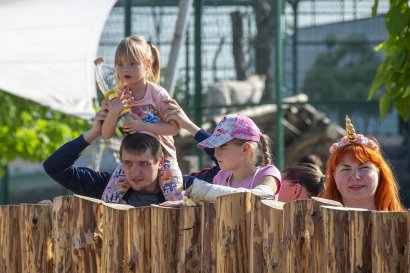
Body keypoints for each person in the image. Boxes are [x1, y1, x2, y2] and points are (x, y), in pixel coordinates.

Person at [100, 35, 183, 203]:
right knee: (108, 198)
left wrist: (142, 126)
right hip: (133, 158)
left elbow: (174, 129)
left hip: (163, 156)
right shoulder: (117, 95)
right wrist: (113, 112)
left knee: (176, 197)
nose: (125, 69)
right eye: (120, 64)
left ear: (146, 65)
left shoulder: (157, 94)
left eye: (132, 63)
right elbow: (106, 134)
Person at [43, 107, 166, 207]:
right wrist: (94, 133)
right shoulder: (107, 186)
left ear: (160, 161)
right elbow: (54, 167)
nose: (134, 172)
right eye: (128, 163)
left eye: (143, 163)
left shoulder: (179, 189)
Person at [185, 114, 281, 203]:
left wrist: (207, 191)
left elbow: (261, 196)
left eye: (222, 147)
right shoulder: (220, 177)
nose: (216, 153)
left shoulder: (267, 174)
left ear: (245, 149)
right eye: (215, 147)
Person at [321, 115, 404, 211]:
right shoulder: (318, 224)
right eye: (346, 169)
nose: (356, 176)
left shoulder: (402, 224)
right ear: (333, 176)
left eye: (364, 168)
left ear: (379, 173)